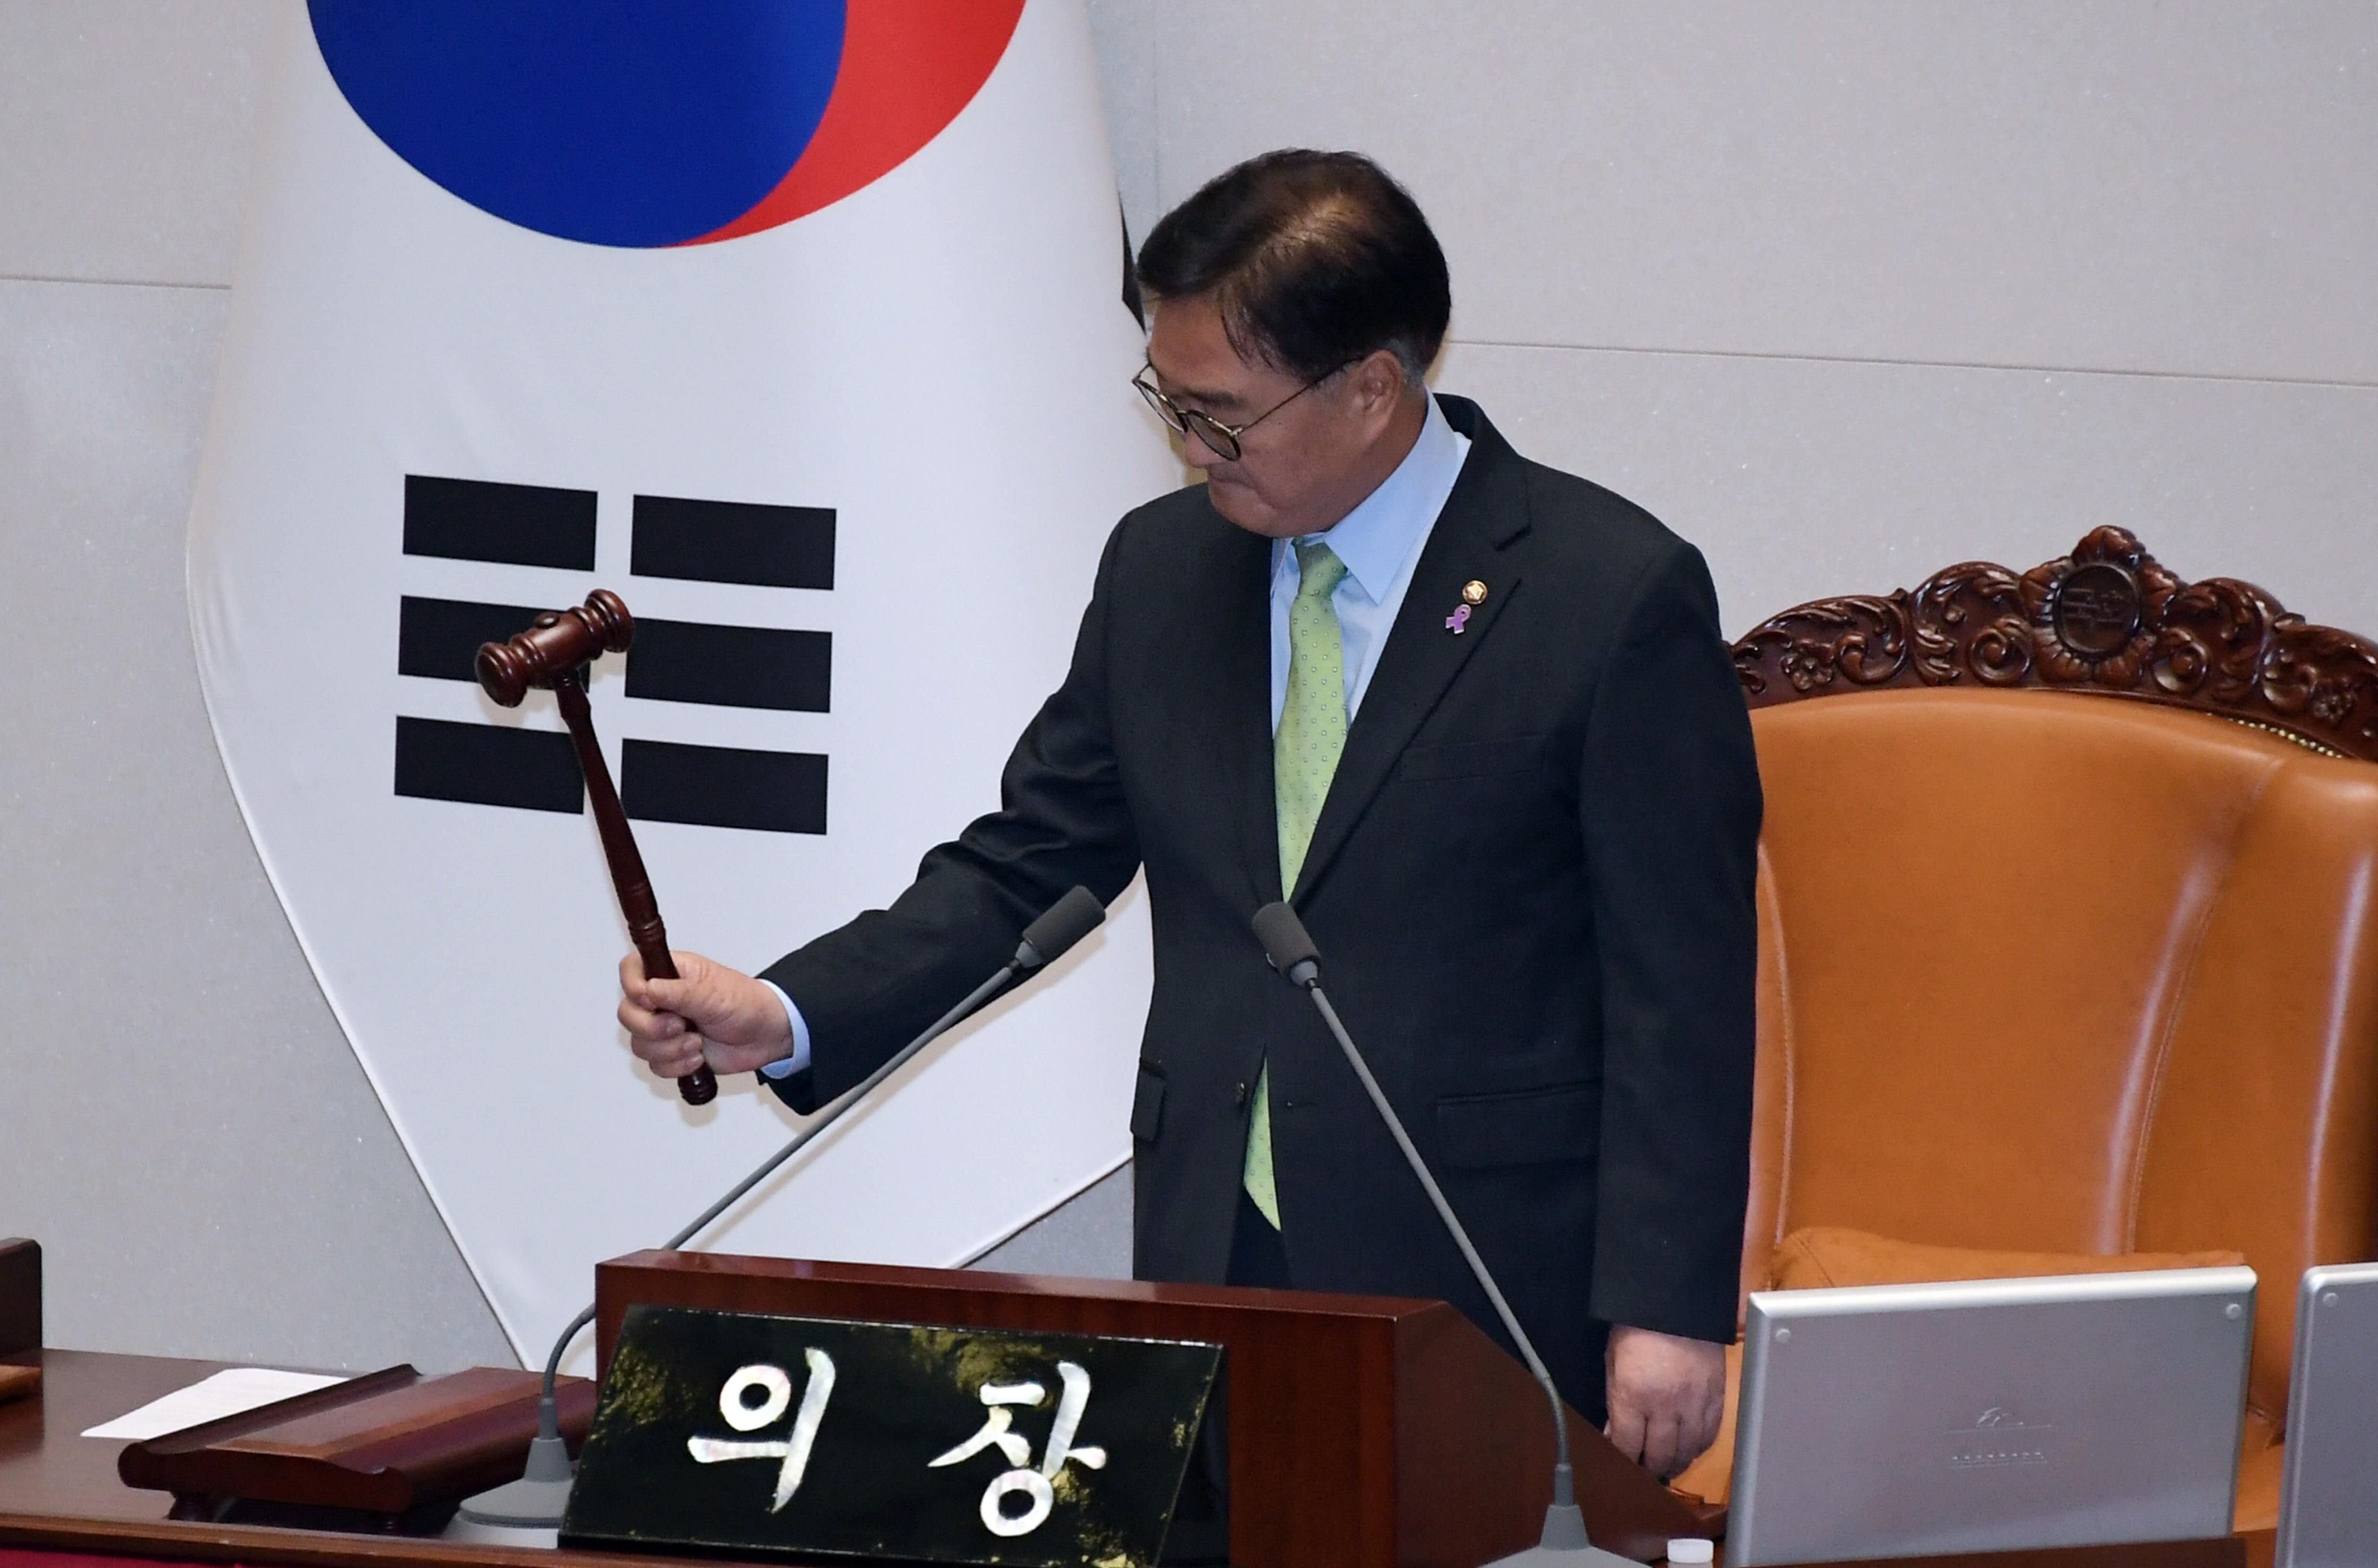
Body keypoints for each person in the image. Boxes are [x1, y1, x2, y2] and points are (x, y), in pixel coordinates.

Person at [619, 150, 1759, 1477]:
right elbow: (1027, 864)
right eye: (1166, 396)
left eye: (1219, 414)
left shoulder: (1606, 594)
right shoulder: (1163, 571)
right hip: (1216, 1243)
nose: (1183, 443)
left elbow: (1681, 980)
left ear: (1371, 386)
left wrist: (1669, 1307)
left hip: (1491, 1272)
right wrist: (789, 1008)